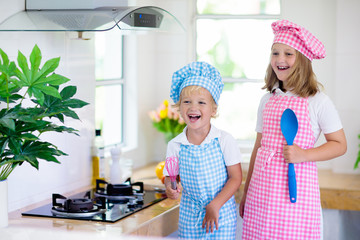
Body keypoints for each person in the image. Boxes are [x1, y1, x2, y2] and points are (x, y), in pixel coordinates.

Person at [239, 19, 347, 240]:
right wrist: (246, 191)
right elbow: (258, 148)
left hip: (294, 195)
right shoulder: (266, 100)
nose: (280, 59)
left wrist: (304, 154)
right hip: (261, 193)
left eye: (288, 54)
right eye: (275, 53)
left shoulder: (317, 101)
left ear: (303, 60)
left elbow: (340, 145)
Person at [164, 61, 243, 239]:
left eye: (201, 102)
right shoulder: (175, 145)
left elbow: (236, 178)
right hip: (189, 218)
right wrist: (170, 188)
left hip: (221, 215)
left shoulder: (224, 140)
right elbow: (171, 178)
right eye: (187, 102)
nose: (193, 107)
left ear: (213, 109)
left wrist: (214, 205)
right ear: (179, 108)